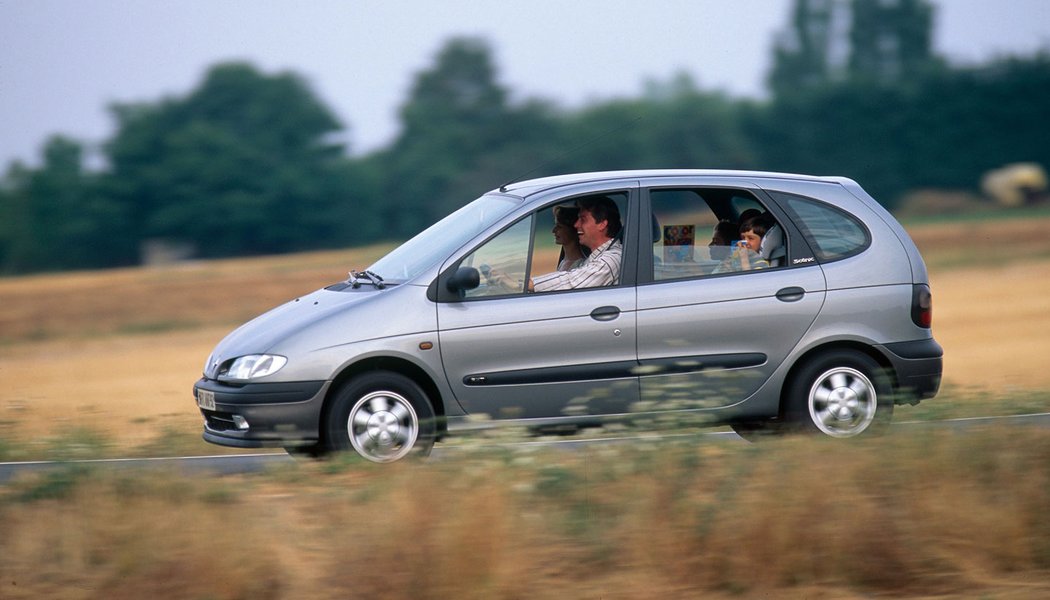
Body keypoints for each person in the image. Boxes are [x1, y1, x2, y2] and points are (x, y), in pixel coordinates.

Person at [529, 196, 623, 292]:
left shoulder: (611, 260)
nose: (576, 225)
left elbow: (572, 282)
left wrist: (530, 284)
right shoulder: (591, 260)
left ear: (602, 224)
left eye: (583, 219)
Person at [552, 205, 588, 271]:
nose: (553, 231)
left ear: (573, 229)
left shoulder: (580, 266)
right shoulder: (564, 262)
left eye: (559, 226)